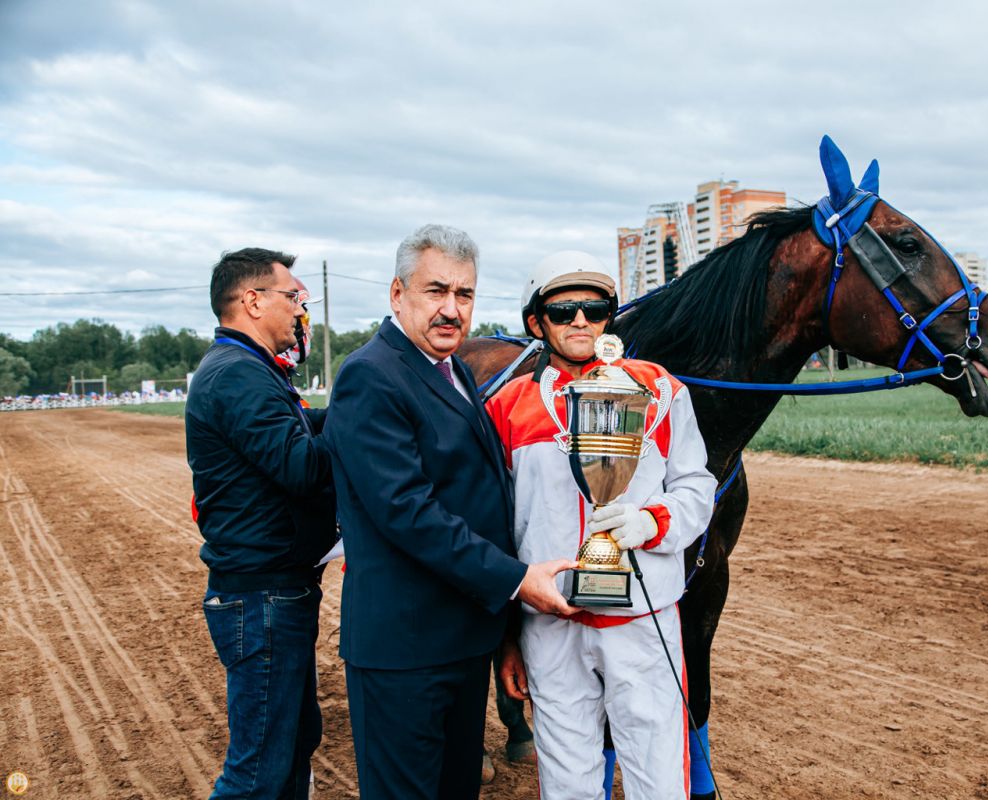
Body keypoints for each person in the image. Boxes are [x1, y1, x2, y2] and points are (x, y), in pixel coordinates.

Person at [323, 224, 576, 800]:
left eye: (464, 295)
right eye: (435, 291)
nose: (451, 309)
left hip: (460, 642)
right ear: (396, 294)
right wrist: (517, 580)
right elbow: (408, 511)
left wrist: (503, 628)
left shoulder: (453, 369)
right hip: (405, 651)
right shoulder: (371, 375)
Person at [487, 251, 717, 800]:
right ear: (535, 322)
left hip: (644, 616)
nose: (581, 322)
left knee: (659, 775)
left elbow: (697, 485)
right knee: (566, 780)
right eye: (564, 310)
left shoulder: (659, 389)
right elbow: (495, 526)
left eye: (595, 308)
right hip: (550, 620)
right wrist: (507, 639)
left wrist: (651, 521)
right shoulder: (506, 407)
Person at [186, 247, 338, 799]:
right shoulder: (237, 375)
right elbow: (300, 465)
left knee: (292, 744)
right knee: (257, 774)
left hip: (274, 592)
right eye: (294, 297)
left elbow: (299, 425)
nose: (302, 311)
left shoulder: (246, 369)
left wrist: (358, 408)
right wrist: (364, 433)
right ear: (253, 301)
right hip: (263, 597)